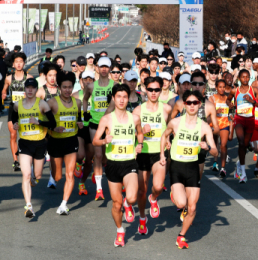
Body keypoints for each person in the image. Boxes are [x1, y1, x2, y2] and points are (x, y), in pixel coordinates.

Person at [160, 90, 218, 249]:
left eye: (195, 103)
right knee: (181, 202)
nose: (192, 105)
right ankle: (175, 193)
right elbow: (164, 135)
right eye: (189, 103)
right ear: (184, 105)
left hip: (193, 167)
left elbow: (215, 152)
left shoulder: (204, 127)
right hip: (177, 166)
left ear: (199, 105)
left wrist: (208, 147)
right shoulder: (176, 122)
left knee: (192, 208)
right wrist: (162, 153)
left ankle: (181, 236)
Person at [92, 83, 143, 247]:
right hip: (113, 164)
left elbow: (140, 133)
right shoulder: (106, 119)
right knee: (116, 204)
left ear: (128, 99)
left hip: (129, 162)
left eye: (125, 97)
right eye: (118, 97)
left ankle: (129, 205)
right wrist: (103, 140)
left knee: (132, 197)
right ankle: (120, 230)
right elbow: (94, 140)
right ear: (113, 98)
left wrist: (139, 144)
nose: (122, 100)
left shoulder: (134, 118)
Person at [11, 78, 56, 218]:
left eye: (33, 88)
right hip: (24, 143)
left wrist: (39, 122)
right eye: (28, 87)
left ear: (36, 90)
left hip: (40, 143)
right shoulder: (17, 105)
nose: (30, 90)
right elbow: (13, 118)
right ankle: (29, 206)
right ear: (24, 90)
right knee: (26, 175)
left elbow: (53, 123)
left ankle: (34, 179)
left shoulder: (42, 104)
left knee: (37, 176)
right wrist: (14, 125)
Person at [133, 76, 172, 234]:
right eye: (150, 89)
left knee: (157, 186)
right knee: (141, 191)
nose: (154, 92)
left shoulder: (166, 109)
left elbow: (169, 128)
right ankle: (142, 218)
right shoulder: (138, 110)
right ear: (145, 89)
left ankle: (154, 199)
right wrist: (142, 132)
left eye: (157, 89)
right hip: (143, 153)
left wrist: (168, 139)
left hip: (160, 153)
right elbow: (132, 134)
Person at [47, 71, 83, 215]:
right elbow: (43, 123)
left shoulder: (77, 102)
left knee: (70, 173)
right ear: (59, 87)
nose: (67, 90)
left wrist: (80, 124)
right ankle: (53, 172)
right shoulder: (52, 103)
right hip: (55, 141)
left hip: (71, 141)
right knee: (58, 177)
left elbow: (79, 118)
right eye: (64, 87)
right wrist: (53, 128)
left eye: (70, 87)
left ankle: (63, 204)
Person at [82, 57, 114, 201]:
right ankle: (99, 189)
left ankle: (100, 170)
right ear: (97, 68)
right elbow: (84, 99)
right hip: (95, 123)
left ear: (110, 68)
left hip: (110, 124)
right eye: (101, 66)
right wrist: (85, 113)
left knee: (107, 156)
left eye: (106, 67)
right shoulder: (91, 86)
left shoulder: (115, 85)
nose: (104, 69)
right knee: (98, 155)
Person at [227, 69, 258, 183]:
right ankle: (243, 174)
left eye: (247, 77)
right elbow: (228, 100)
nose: (245, 79)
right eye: (243, 77)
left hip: (250, 120)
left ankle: (239, 165)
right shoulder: (235, 90)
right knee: (241, 142)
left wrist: (252, 101)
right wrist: (230, 104)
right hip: (239, 119)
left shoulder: (254, 90)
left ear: (250, 78)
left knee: (244, 146)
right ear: (239, 78)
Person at [2, 52, 33, 171]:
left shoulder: (29, 78)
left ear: (24, 63)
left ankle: (27, 158)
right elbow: (4, 90)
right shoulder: (9, 78)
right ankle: (16, 161)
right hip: (13, 109)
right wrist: (3, 94)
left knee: (25, 135)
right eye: (17, 62)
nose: (19, 64)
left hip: (26, 109)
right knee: (13, 134)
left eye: (21, 61)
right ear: (13, 64)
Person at [72, 71, 95, 196]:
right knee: (80, 155)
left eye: (90, 79)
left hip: (92, 128)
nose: (87, 82)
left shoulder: (97, 96)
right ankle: (78, 163)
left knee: (89, 158)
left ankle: (82, 182)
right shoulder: (75, 96)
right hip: (80, 129)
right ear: (81, 81)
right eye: (85, 79)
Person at [209, 79, 231, 177]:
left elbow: (231, 111)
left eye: (223, 87)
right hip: (214, 124)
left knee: (223, 145)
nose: (222, 89)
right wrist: (215, 111)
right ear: (216, 87)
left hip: (225, 124)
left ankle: (223, 168)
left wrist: (231, 108)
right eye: (220, 87)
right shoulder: (212, 98)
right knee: (215, 144)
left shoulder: (227, 98)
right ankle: (215, 161)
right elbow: (209, 111)